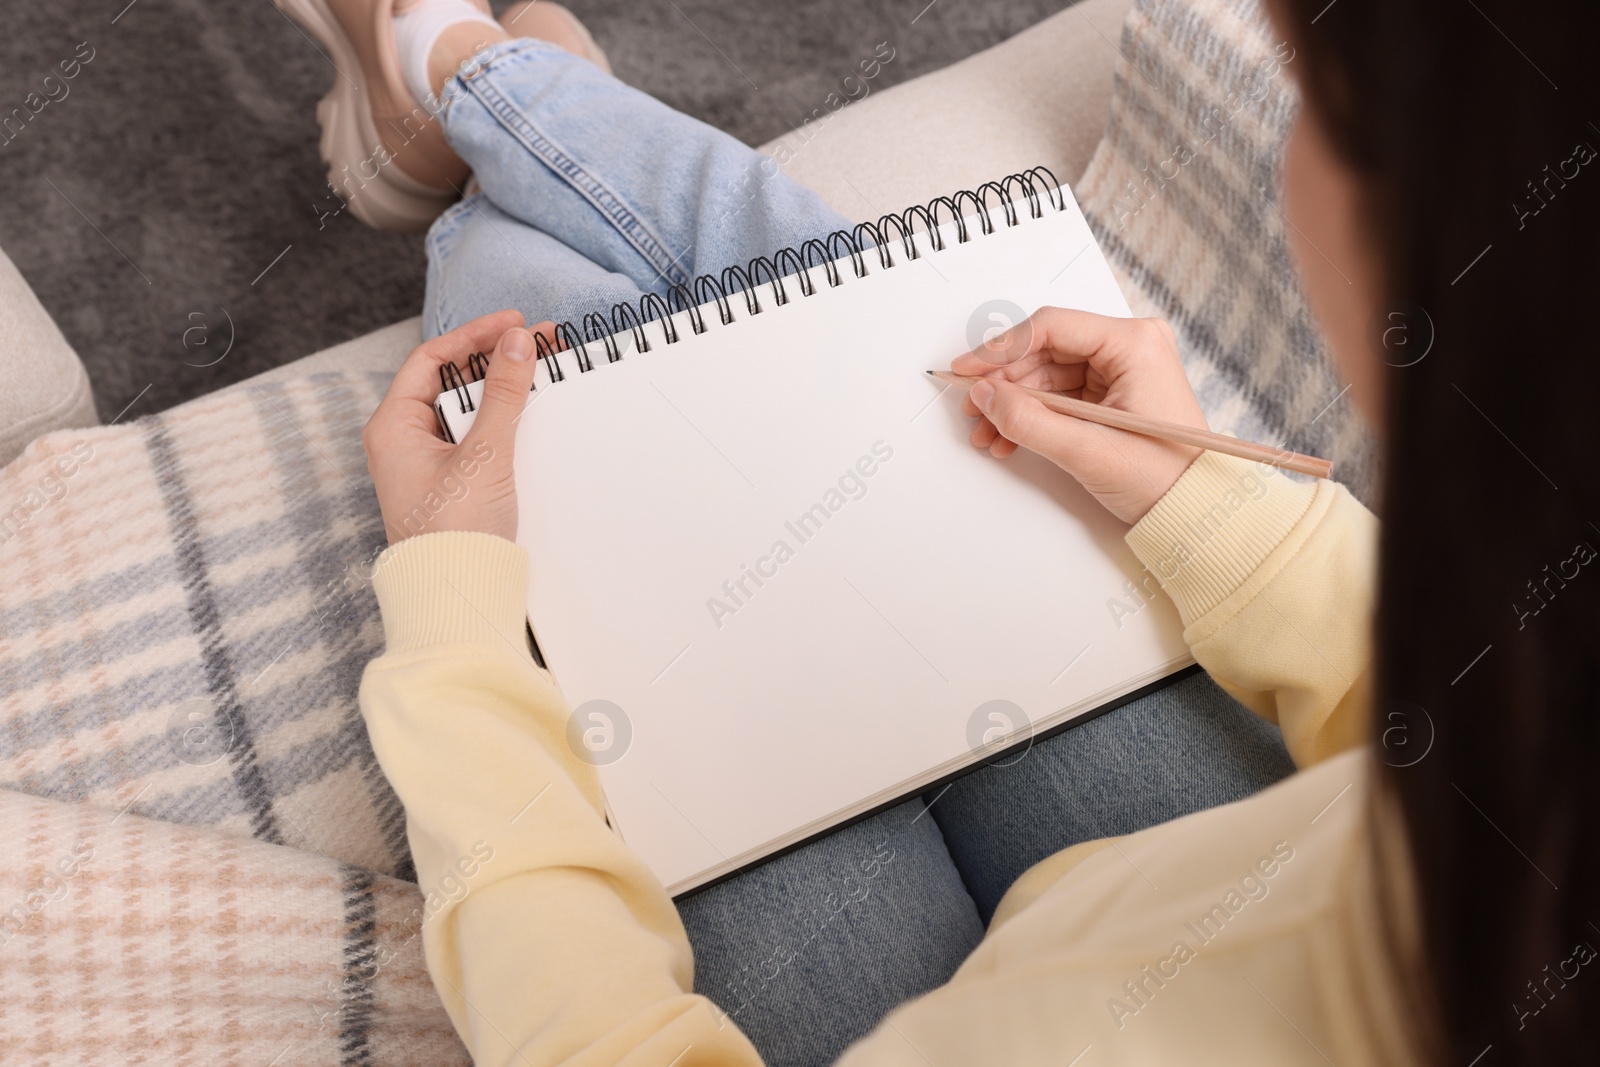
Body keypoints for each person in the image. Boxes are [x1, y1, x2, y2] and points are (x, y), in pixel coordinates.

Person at [280, 0, 1596, 1062]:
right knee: (870, 353)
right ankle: (487, 81)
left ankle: (471, 81)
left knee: (534, 308)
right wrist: (1207, 500)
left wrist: (452, 621)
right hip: (1242, 873)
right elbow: (1452, 711)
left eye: (1319, 97)